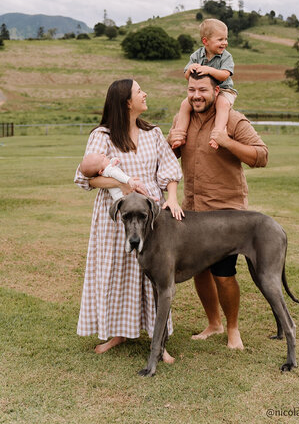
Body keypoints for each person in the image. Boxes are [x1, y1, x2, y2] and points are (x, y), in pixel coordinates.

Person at [75, 78, 184, 359]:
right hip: (117, 217)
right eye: (139, 91)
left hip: (150, 215)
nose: (145, 94)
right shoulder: (103, 135)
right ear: (126, 102)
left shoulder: (153, 133)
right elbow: (86, 176)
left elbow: (170, 169)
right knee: (118, 271)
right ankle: (118, 332)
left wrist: (171, 197)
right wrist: (120, 185)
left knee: (155, 273)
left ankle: (158, 341)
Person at [168, 70, 268, 350]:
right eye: (191, 90)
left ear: (216, 92)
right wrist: (171, 142)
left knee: (224, 274)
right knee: (199, 271)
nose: (196, 95)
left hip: (226, 214)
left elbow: (262, 155)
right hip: (193, 211)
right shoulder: (182, 119)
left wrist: (227, 141)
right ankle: (214, 324)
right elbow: (168, 156)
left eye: (202, 90)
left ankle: (233, 329)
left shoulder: (233, 119)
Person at [171, 18, 237, 150]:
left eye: (226, 39)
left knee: (222, 104)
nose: (225, 43)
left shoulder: (226, 56)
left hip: (224, 90)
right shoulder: (196, 56)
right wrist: (190, 69)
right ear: (205, 41)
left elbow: (225, 75)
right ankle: (180, 134)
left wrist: (209, 70)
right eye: (220, 39)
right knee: (185, 104)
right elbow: (187, 75)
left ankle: (218, 134)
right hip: (203, 92)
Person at [79, 152, 151, 202]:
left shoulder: (106, 169)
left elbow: (110, 162)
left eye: (102, 155)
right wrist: (129, 180)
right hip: (122, 195)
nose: (104, 155)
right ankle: (149, 197)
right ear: (100, 171)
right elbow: (119, 175)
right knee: (139, 184)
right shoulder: (109, 170)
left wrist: (114, 160)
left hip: (120, 197)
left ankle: (148, 197)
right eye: (102, 159)